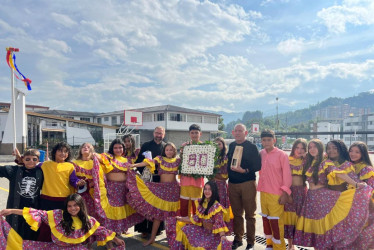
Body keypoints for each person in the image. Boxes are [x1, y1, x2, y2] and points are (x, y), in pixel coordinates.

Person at [293, 139, 373, 249]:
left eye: (315, 147)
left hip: (324, 198)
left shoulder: (326, 162)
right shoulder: (310, 162)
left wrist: (356, 185)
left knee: (324, 228)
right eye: (310, 147)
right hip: (311, 199)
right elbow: (297, 157)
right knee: (316, 230)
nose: (312, 149)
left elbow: (339, 174)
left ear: (320, 148)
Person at [0, 194, 125, 249]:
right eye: (69, 206)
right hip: (55, 248)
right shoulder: (58, 215)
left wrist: (116, 239)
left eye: (76, 205)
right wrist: (11, 211)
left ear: (81, 206)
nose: (72, 208)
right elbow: (36, 212)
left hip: (76, 249)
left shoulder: (89, 221)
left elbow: (102, 230)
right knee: (21, 246)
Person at [127, 142, 181, 246]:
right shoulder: (160, 159)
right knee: (158, 216)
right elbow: (147, 163)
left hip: (174, 190)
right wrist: (134, 165)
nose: (169, 152)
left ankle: (173, 239)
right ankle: (152, 238)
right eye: (167, 150)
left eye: (171, 150)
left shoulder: (178, 161)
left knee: (173, 216)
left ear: (174, 151)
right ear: (164, 151)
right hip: (162, 190)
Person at [38, 141, 86, 242]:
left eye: (66, 151)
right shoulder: (44, 165)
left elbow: (73, 181)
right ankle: (45, 244)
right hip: (46, 199)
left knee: (62, 224)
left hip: (64, 200)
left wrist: (79, 183)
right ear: (54, 152)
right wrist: (20, 160)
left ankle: (62, 245)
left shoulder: (70, 166)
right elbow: (30, 165)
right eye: (60, 151)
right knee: (46, 224)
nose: (63, 153)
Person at [95, 138, 144, 234]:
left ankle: (120, 229)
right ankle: (112, 231)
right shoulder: (108, 157)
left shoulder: (127, 160)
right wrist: (93, 154)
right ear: (112, 149)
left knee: (123, 209)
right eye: (115, 148)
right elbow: (97, 156)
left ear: (124, 148)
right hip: (112, 188)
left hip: (124, 188)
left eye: (120, 147)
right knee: (114, 209)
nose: (118, 150)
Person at [166, 180, 231, 250]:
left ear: (214, 191)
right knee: (185, 229)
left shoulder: (217, 207)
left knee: (201, 246)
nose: (207, 191)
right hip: (202, 230)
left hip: (212, 235)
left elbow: (219, 223)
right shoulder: (202, 203)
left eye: (210, 189)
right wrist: (179, 218)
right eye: (205, 189)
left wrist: (223, 236)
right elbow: (194, 219)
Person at [227, 124, 261, 250]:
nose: (238, 133)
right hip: (232, 184)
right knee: (237, 214)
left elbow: (258, 165)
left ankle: (251, 242)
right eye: (236, 131)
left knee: (250, 214)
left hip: (248, 183)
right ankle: (238, 238)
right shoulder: (231, 146)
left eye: (240, 131)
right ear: (232, 132)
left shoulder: (252, 147)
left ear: (245, 132)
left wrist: (245, 170)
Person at [257, 129, 291, 250]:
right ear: (261, 141)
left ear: (274, 140)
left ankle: (280, 247)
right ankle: (269, 245)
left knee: (276, 222)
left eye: (269, 140)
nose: (266, 142)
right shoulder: (261, 153)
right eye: (264, 140)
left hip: (276, 193)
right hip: (263, 192)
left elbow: (287, 176)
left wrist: (285, 193)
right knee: (266, 219)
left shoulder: (282, 155)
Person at [0, 149, 43, 240]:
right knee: (13, 235)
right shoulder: (14, 170)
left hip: (32, 209)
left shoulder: (41, 172)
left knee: (31, 235)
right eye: (27, 159)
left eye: (34, 159)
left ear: (38, 160)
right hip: (14, 208)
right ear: (23, 160)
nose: (31, 161)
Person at [134, 126, 166, 237]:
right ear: (153, 133)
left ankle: (157, 229)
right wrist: (146, 171)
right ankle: (143, 229)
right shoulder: (146, 145)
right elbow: (138, 160)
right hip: (147, 179)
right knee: (146, 204)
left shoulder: (166, 147)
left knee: (158, 205)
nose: (159, 135)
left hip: (160, 180)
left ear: (164, 135)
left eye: (161, 134)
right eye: (157, 133)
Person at [282, 138, 307, 250]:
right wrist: (286, 193)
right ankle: (290, 245)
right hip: (290, 191)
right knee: (289, 217)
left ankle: (296, 243)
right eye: (297, 147)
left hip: (302, 192)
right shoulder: (287, 159)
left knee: (299, 217)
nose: (299, 150)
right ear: (293, 148)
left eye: (302, 148)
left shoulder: (307, 161)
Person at [179, 124, 205, 217]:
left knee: (196, 206)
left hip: (197, 182)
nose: (194, 135)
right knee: (184, 205)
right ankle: (184, 228)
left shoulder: (205, 147)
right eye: (192, 133)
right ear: (189, 134)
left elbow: (206, 165)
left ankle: (196, 228)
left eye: (196, 133)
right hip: (185, 181)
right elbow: (181, 163)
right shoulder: (184, 146)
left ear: (200, 134)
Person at [213, 137, 233, 232]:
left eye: (219, 144)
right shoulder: (211, 157)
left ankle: (221, 229)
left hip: (220, 186)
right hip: (211, 185)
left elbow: (225, 176)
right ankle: (213, 227)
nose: (217, 146)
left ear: (223, 145)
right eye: (215, 144)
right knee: (211, 205)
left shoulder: (225, 158)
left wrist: (213, 175)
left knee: (220, 206)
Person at [72, 143, 97, 217]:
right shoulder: (74, 163)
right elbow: (71, 177)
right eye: (83, 147)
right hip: (78, 193)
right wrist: (78, 182)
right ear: (80, 150)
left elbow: (101, 178)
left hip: (92, 194)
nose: (85, 148)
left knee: (91, 215)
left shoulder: (95, 163)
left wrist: (93, 182)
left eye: (88, 147)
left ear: (92, 150)